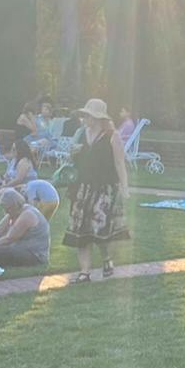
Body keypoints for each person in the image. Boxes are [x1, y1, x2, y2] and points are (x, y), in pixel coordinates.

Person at [63, 97, 129, 280]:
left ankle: (107, 258)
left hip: (104, 188)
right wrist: (73, 154)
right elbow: (72, 159)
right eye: (85, 116)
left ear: (99, 118)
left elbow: (119, 162)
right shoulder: (81, 134)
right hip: (82, 187)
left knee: (100, 230)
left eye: (90, 116)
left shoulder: (112, 136)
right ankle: (85, 272)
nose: (86, 119)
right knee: (81, 231)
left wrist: (124, 186)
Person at [0, 187, 51, 269]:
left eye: (7, 208)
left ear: (14, 205)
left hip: (35, 255)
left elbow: (9, 239)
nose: (5, 211)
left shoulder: (28, 215)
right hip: (19, 249)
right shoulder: (14, 212)